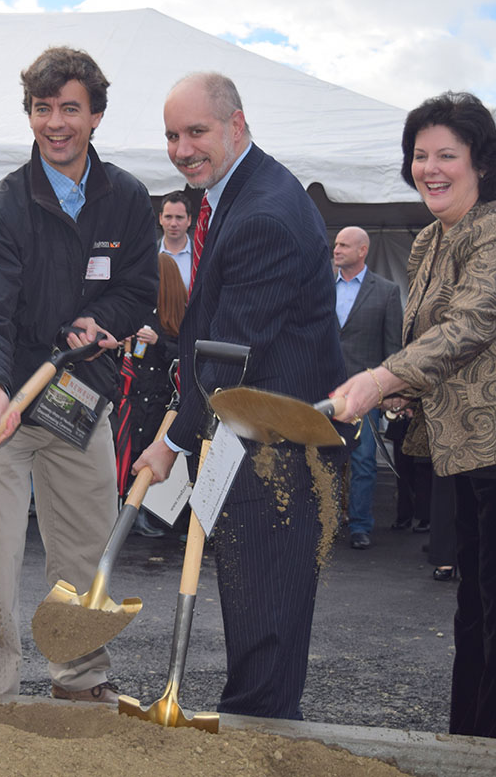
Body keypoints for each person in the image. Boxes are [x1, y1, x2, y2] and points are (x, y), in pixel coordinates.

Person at [331, 91, 496, 742]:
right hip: (469, 459)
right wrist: (403, 393)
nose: (429, 168)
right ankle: (467, 753)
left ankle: (495, 757)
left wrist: (383, 376)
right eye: (420, 155)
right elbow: (438, 345)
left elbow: (468, 327)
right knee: (476, 626)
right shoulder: (434, 239)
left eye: (446, 155)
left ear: (483, 163)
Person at [133, 72, 348, 721]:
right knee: (257, 624)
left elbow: (229, 353)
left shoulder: (264, 214)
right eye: (172, 134)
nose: (181, 148)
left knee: (265, 636)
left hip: (276, 457)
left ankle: (261, 748)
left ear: (237, 124)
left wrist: (171, 439)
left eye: (196, 131)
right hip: (253, 444)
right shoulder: (239, 191)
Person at [0, 46, 158, 703]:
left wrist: (102, 322)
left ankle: (80, 677)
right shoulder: (2, 209)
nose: (56, 122)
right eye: (44, 108)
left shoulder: (125, 199)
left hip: (79, 400)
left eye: (71, 108)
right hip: (5, 408)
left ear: (95, 114)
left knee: (83, 550)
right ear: (31, 114)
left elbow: (138, 290)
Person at [333, 226, 403, 549]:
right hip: (326, 390)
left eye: (344, 245)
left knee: (363, 460)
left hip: (365, 393)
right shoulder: (321, 288)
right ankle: (328, 520)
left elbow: (392, 349)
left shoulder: (386, 292)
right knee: (326, 457)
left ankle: (360, 525)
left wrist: (388, 393)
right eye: (336, 245)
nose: (336, 250)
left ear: (363, 251)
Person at [123, 253, 185, 539]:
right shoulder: (140, 311)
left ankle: (146, 513)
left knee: (151, 453)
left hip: (160, 400)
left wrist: (158, 342)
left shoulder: (178, 319)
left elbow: (182, 356)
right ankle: (130, 512)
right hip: (136, 396)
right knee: (132, 453)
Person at [157, 190, 193, 290]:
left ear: (189, 220)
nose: (173, 223)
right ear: (160, 218)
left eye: (179, 217)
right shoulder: (148, 254)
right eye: (168, 217)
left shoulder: (202, 254)